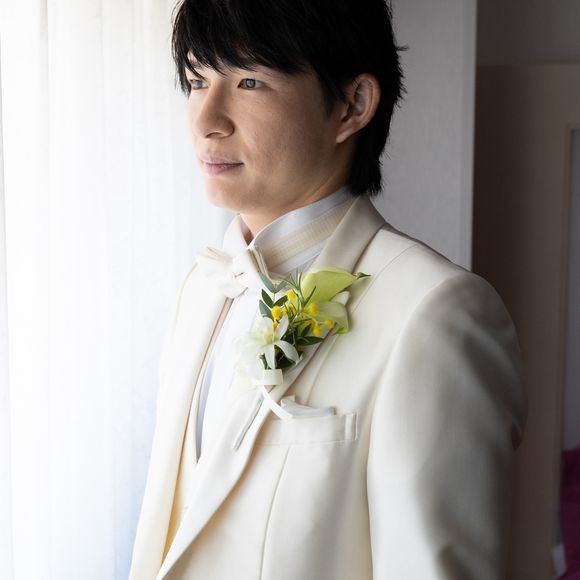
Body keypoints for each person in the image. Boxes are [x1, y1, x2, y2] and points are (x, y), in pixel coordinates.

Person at [129, 0, 527, 578]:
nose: (207, 120)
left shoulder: (435, 313)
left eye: (248, 81)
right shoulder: (203, 288)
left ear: (352, 105)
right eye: (196, 81)